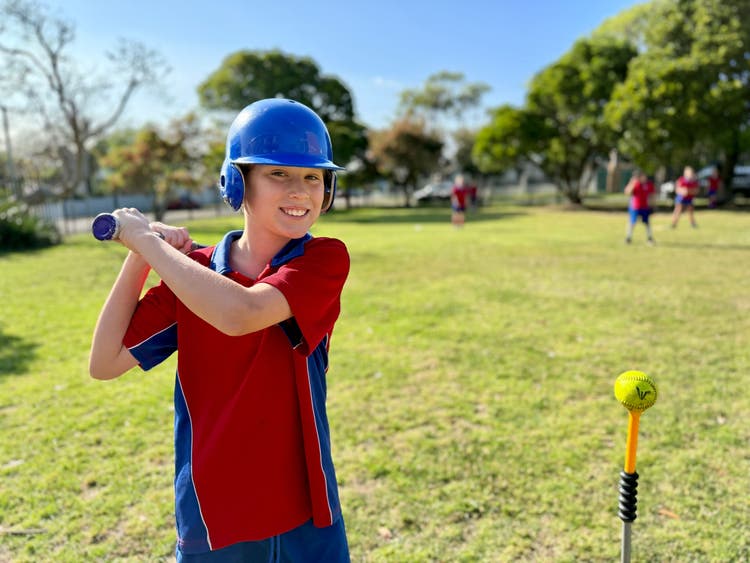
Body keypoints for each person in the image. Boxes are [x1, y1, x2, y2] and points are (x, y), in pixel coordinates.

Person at [89, 99, 351, 562]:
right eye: (278, 174)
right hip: (215, 516)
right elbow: (104, 363)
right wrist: (140, 256)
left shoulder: (322, 260)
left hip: (306, 510)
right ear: (237, 181)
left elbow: (241, 313)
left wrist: (149, 244)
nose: (300, 191)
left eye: (313, 177)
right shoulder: (190, 273)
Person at [624, 170, 656, 245]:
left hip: (645, 207)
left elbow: (652, 195)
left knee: (647, 223)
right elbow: (627, 192)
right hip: (635, 207)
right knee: (632, 222)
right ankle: (628, 238)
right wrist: (632, 182)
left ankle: (650, 238)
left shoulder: (649, 184)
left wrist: (653, 205)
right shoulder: (635, 184)